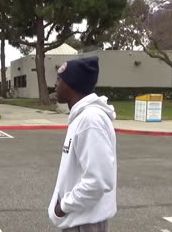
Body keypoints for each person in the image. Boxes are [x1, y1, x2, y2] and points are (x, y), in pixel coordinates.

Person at [48, 56, 117, 232]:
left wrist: (63, 207)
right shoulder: (82, 118)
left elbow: (98, 181)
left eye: (59, 79)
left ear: (71, 85)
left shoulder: (91, 120)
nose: (56, 84)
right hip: (79, 219)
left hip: (85, 224)